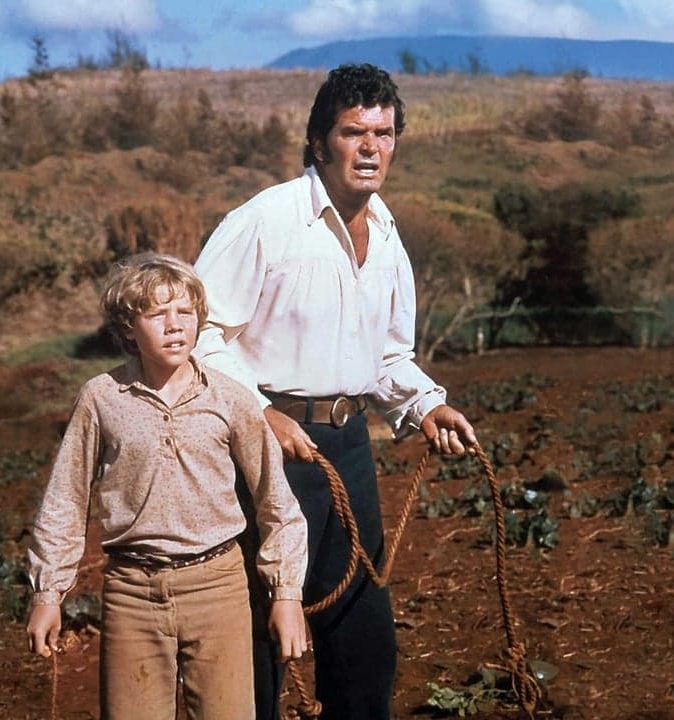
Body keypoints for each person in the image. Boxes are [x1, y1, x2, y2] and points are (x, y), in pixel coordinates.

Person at [192, 63, 479, 720]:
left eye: (384, 133)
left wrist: (426, 404)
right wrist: (259, 413)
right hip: (264, 452)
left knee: (362, 638)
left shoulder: (387, 233)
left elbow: (388, 354)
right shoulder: (264, 220)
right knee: (260, 634)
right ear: (320, 142)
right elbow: (199, 332)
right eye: (354, 133)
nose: (371, 148)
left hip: (349, 448)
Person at [25, 252, 310, 720]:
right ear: (128, 327)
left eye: (185, 312)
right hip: (131, 592)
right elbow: (65, 500)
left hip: (218, 587)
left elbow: (276, 502)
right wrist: (47, 594)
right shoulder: (101, 398)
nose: (175, 325)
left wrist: (286, 594)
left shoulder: (230, 398)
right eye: (157, 313)